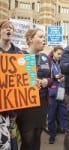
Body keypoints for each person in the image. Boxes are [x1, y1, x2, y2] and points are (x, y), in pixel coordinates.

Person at [16, 28, 52, 150]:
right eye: (41, 37)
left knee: (37, 136)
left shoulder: (45, 58)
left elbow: (52, 78)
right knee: (28, 138)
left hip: (42, 103)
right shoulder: (20, 56)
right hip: (26, 105)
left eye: (44, 37)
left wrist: (47, 81)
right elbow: (13, 80)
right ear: (30, 39)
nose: (44, 40)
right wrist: (27, 83)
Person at [0, 20, 22, 150]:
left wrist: (32, 82)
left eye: (11, 28)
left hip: (13, 105)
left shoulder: (19, 52)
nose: (9, 30)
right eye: (5, 27)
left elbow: (28, 77)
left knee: (12, 137)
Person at [47, 46, 67, 144]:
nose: (60, 56)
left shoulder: (62, 63)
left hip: (62, 92)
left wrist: (64, 77)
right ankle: (52, 135)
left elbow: (66, 73)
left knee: (63, 114)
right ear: (54, 52)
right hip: (52, 93)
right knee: (51, 116)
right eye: (58, 54)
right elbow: (46, 76)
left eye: (61, 55)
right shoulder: (48, 63)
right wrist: (54, 78)